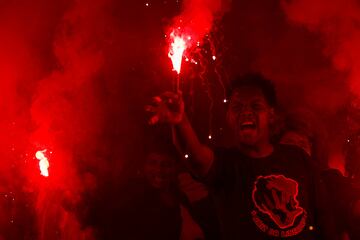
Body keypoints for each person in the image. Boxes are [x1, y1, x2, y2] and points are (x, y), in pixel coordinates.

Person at [146, 73, 359, 239]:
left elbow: (324, 217)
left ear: (271, 114)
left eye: (256, 106)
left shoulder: (298, 159)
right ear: (229, 117)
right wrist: (180, 121)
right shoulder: (226, 164)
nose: (246, 112)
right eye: (237, 107)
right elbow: (195, 157)